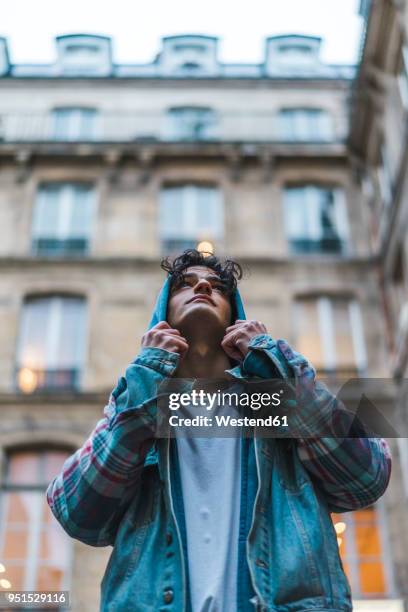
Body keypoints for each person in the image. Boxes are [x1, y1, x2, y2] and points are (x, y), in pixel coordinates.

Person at [46, 249, 392, 612]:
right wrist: (147, 378)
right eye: (185, 283)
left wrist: (275, 367)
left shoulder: (275, 394)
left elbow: (366, 476)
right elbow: (77, 512)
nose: (202, 286)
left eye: (217, 286)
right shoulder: (136, 400)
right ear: (162, 315)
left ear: (234, 315)